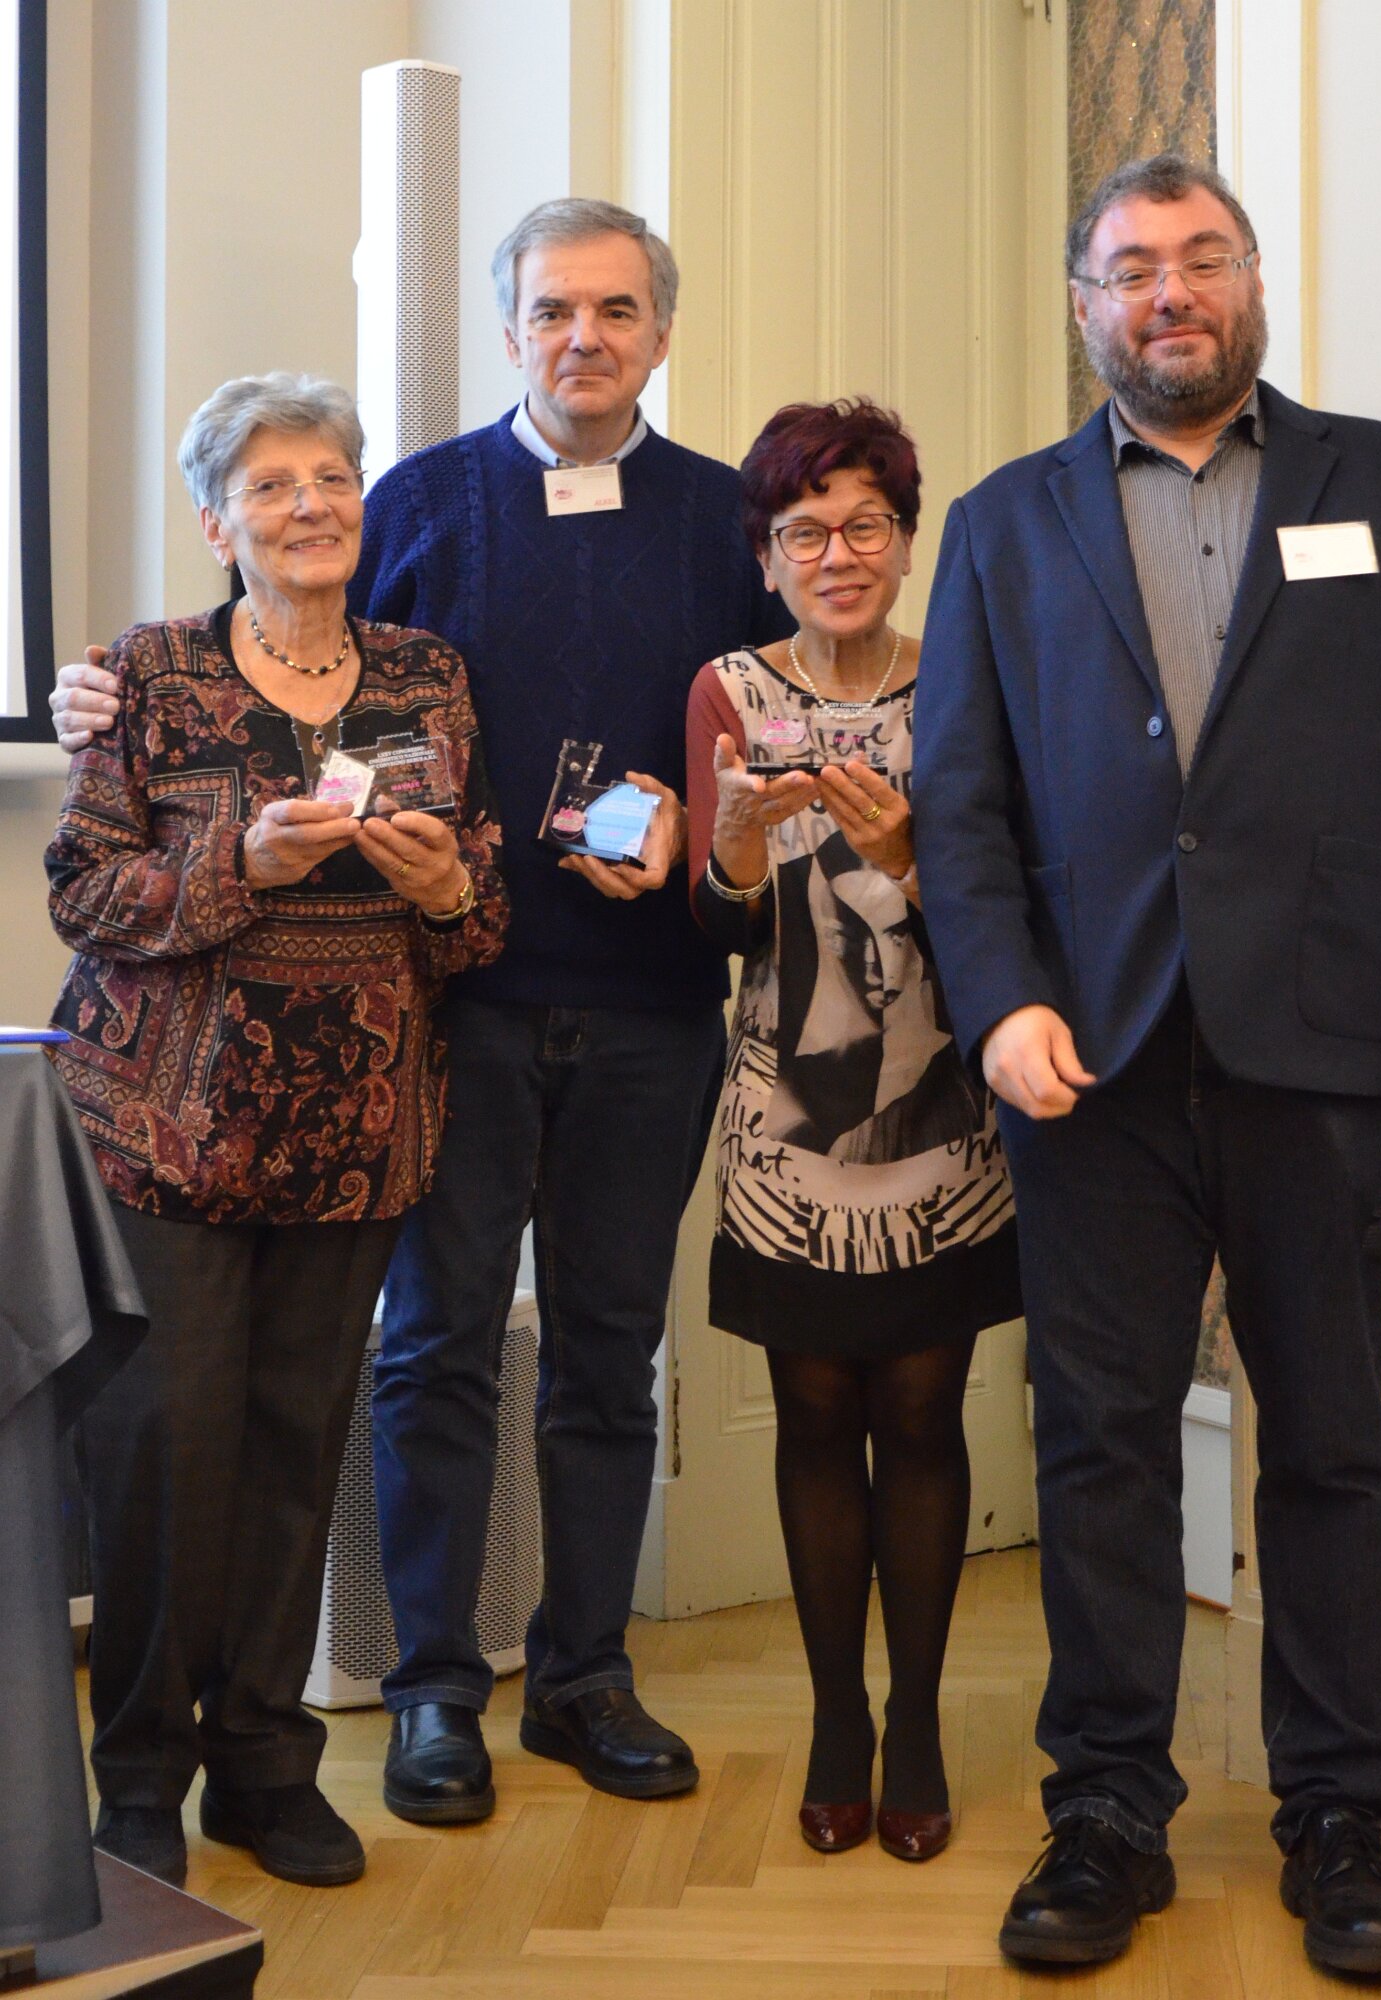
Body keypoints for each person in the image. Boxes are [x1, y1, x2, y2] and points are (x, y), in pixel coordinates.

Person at [50, 199, 796, 1822]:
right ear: (511, 331)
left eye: (616, 310)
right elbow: (270, 636)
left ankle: (584, 1678)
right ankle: (435, 1690)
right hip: (447, 1015)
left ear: (661, 334)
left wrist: (703, 824)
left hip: (652, 1002)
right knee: (437, 1350)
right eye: (553, 311)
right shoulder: (415, 500)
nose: (583, 337)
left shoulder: (725, 518)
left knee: (609, 1356)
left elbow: (766, 727)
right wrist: (90, 689)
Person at [912, 154, 1381, 1979]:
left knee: (1331, 1446)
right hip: (1085, 1066)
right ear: (1084, 306)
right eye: (1131, 269)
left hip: (1331, 1056)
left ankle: (1345, 1818)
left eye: (1201, 259)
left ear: (1251, 283)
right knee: (1098, 1445)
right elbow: (960, 802)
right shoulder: (1005, 523)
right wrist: (998, 1000)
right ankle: (1107, 1810)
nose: (1168, 292)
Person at [45, 374, 507, 1892]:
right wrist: (237, 865)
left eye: (332, 478)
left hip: (355, 1133)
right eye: (271, 484)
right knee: (161, 1461)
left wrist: (446, 888)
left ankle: (262, 1765)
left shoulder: (427, 676)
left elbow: (480, 913)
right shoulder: (147, 673)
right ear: (216, 524)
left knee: (296, 1453)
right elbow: (85, 895)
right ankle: (137, 1782)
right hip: (164, 1136)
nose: (311, 504)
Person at [685, 399, 1020, 1863]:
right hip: (784, 1122)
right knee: (816, 1416)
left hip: (945, 1114)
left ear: (906, 540)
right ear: (767, 557)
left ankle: (923, 1722)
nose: (838, 553)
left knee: (923, 1418)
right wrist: (731, 853)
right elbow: (716, 928)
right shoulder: (725, 692)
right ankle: (838, 1720)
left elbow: (1018, 908)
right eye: (805, 530)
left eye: (866, 524)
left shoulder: (967, 682)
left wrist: (910, 856)